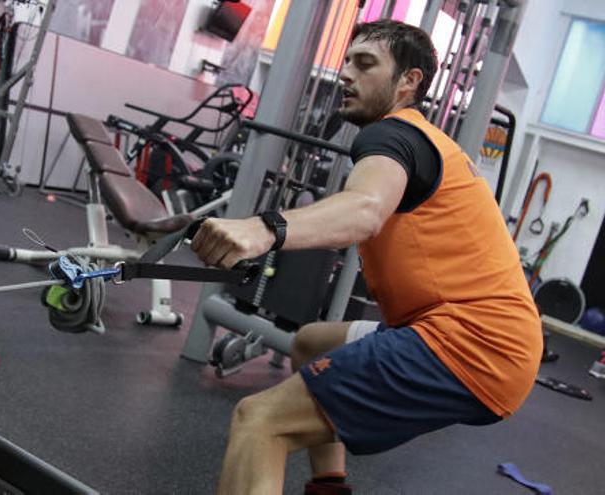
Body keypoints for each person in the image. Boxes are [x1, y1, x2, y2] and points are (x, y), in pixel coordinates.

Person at [190, 19, 541, 495]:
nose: (345, 74)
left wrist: (263, 228)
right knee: (312, 343)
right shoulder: (424, 140)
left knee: (259, 421)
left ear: (409, 81)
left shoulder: (390, 137)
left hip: (467, 344)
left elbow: (366, 209)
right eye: (348, 61)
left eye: (365, 64)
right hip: (490, 343)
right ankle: (330, 487)